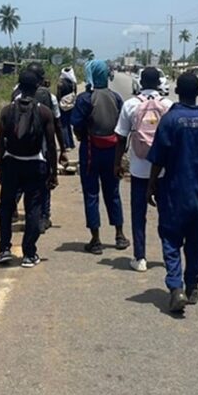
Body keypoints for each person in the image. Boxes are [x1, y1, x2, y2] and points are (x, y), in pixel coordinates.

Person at [147, 72, 198, 313]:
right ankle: (192, 285)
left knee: (170, 239)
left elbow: (157, 160)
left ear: (177, 92)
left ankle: (175, 287)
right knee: (195, 242)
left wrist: (151, 185)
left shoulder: (169, 121)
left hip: (174, 191)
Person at [0, 69, 58, 267]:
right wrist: (53, 172)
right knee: (33, 209)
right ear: (37, 87)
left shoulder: (6, 111)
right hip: (35, 165)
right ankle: (29, 253)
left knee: (6, 208)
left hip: (11, 164)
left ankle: (4, 249)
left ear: (19, 86)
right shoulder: (44, 112)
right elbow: (51, 146)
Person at [115, 66, 172, 272]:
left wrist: (118, 163)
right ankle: (168, 254)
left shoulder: (130, 105)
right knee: (166, 214)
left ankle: (140, 257)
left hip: (139, 169)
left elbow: (120, 137)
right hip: (164, 170)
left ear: (140, 83)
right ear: (159, 83)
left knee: (138, 214)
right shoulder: (168, 105)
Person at [71, 59, 128, 254]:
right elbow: (123, 127)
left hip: (90, 151)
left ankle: (95, 240)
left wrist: (82, 136)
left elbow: (76, 125)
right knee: (113, 193)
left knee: (91, 193)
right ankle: (119, 235)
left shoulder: (85, 99)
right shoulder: (116, 97)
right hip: (112, 151)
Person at [11, 62, 66, 230]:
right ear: (39, 80)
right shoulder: (49, 97)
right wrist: (62, 149)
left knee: (19, 180)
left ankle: (13, 208)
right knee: (43, 182)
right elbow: (57, 125)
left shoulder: (15, 95)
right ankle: (43, 216)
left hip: (19, 146)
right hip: (41, 146)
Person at [57, 66, 78, 151]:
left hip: (63, 106)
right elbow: (75, 94)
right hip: (71, 105)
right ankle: (72, 143)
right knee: (69, 125)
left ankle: (66, 144)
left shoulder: (60, 84)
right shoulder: (73, 83)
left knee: (63, 125)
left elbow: (58, 95)